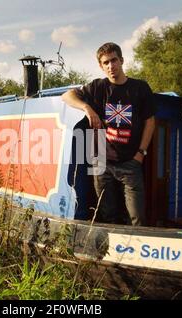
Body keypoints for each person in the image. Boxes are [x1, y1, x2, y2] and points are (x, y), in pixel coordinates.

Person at [61, 42, 156, 226]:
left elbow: (150, 122)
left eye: (114, 60)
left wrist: (141, 153)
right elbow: (67, 96)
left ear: (121, 60)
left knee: (136, 217)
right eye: (106, 62)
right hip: (102, 163)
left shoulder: (140, 88)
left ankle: (136, 251)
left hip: (131, 162)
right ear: (101, 66)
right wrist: (87, 108)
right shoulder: (97, 87)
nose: (110, 66)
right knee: (107, 215)